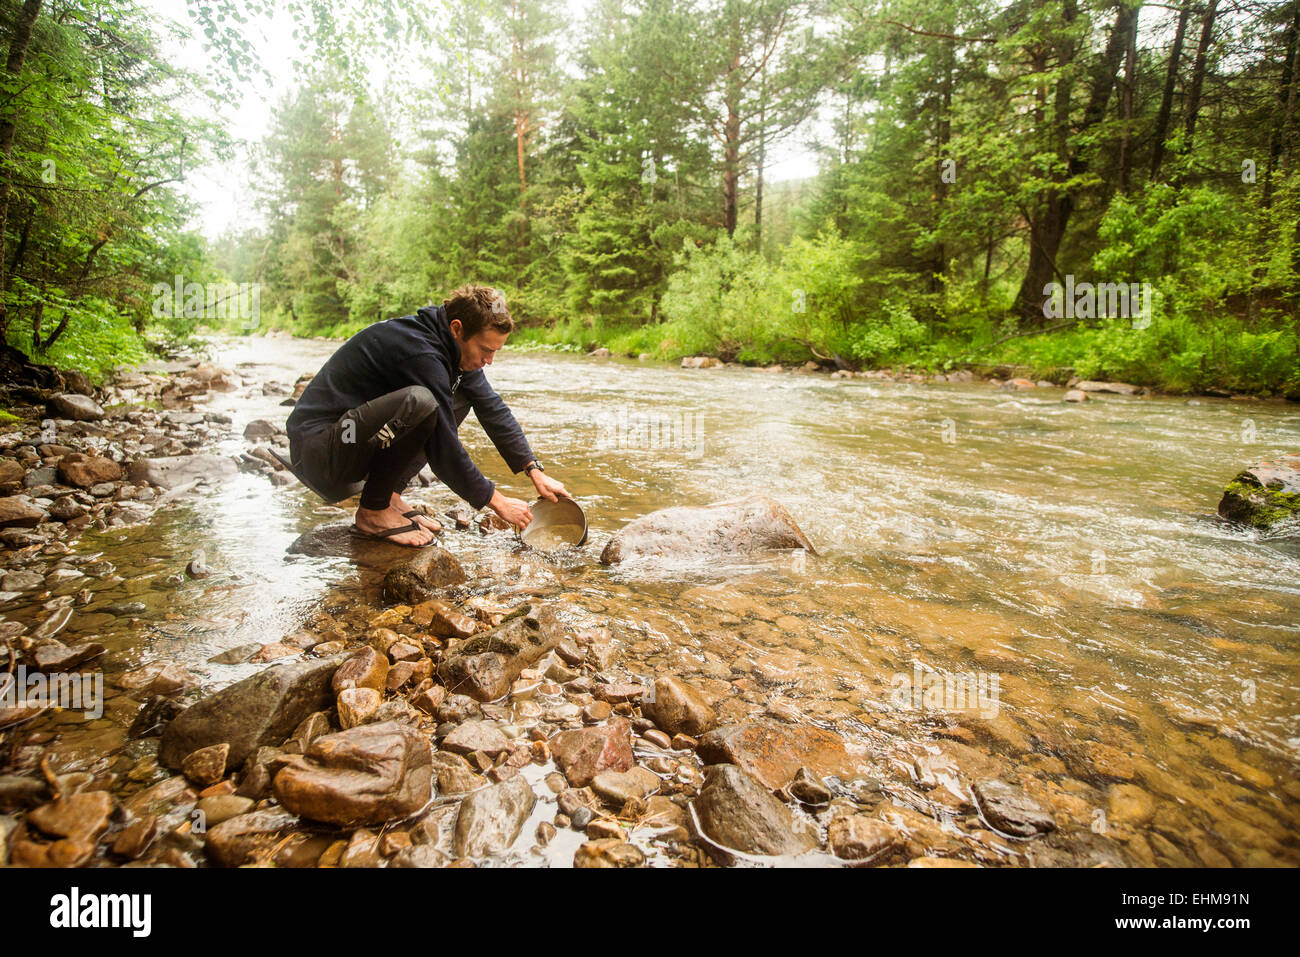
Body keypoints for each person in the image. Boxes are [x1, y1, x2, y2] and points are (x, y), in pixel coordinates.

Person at [283, 284, 570, 547]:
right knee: (422, 403)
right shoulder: (421, 353)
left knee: (455, 399)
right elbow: (443, 447)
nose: (489, 361)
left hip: (346, 446)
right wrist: (497, 501)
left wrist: (534, 469)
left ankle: (389, 495)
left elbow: (492, 407)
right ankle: (373, 511)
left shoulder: (452, 350)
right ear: (457, 328)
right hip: (320, 453)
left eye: (495, 352)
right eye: (485, 350)